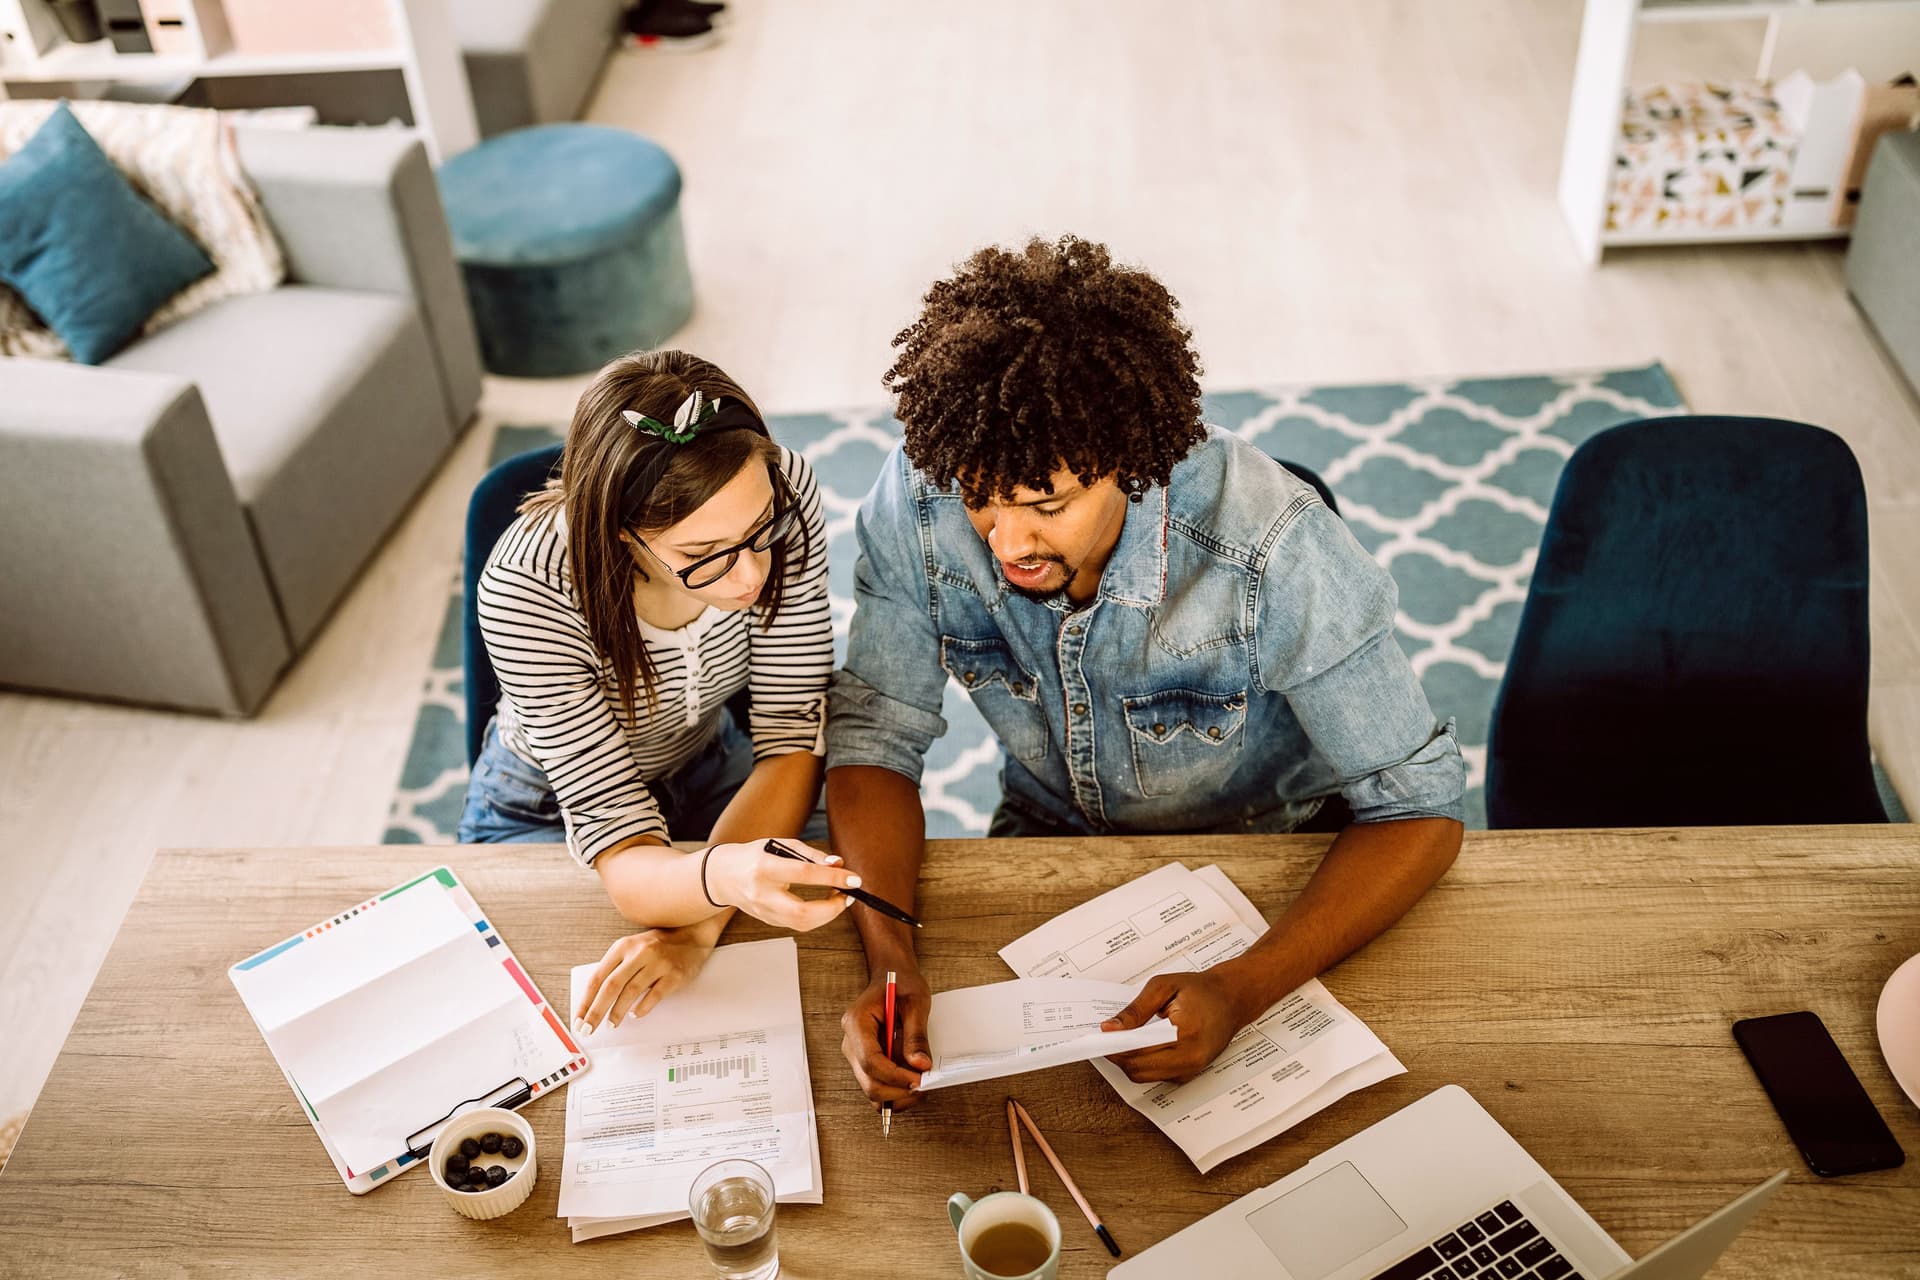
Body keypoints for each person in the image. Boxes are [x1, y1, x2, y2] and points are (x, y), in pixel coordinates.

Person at [826, 236, 1466, 1111]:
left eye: (1046, 505)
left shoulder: (1273, 545)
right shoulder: (918, 496)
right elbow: (874, 740)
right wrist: (891, 965)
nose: (1007, 543)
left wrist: (1243, 988)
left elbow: (1420, 807)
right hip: (1044, 834)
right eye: (981, 498)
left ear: (1131, 464)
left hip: (1268, 854)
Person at [460, 350, 859, 1036]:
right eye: (704, 555)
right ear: (621, 532)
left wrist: (696, 929)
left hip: (710, 762)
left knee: (842, 928)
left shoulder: (784, 486)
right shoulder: (527, 587)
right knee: (530, 1014)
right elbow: (622, 847)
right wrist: (725, 880)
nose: (751, 576)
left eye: (760, 531)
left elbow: (792, 733)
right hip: (543, 804)